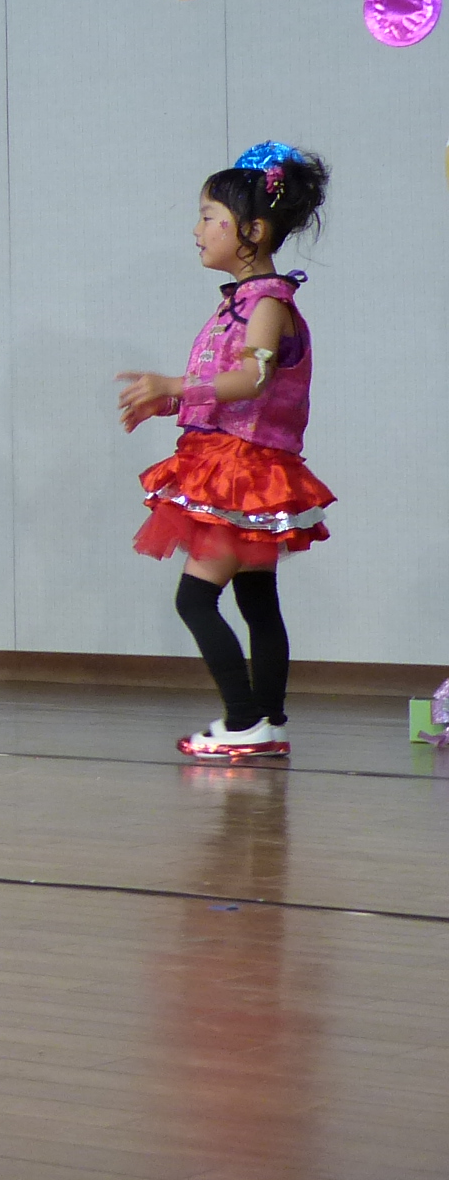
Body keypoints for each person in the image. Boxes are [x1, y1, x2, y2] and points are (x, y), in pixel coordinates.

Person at [118, 146, 333, 762]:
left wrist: (173, 384)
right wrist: (171, 402)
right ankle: (268, 723)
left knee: (195, 599)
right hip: (243, 464)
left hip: (241, 470)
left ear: (253, 231)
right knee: (256, 600)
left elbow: (253, 381)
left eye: (209, 216)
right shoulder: (243, 300)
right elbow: (227, 387)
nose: (197, 229)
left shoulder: (266, 303)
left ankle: (243, 722)